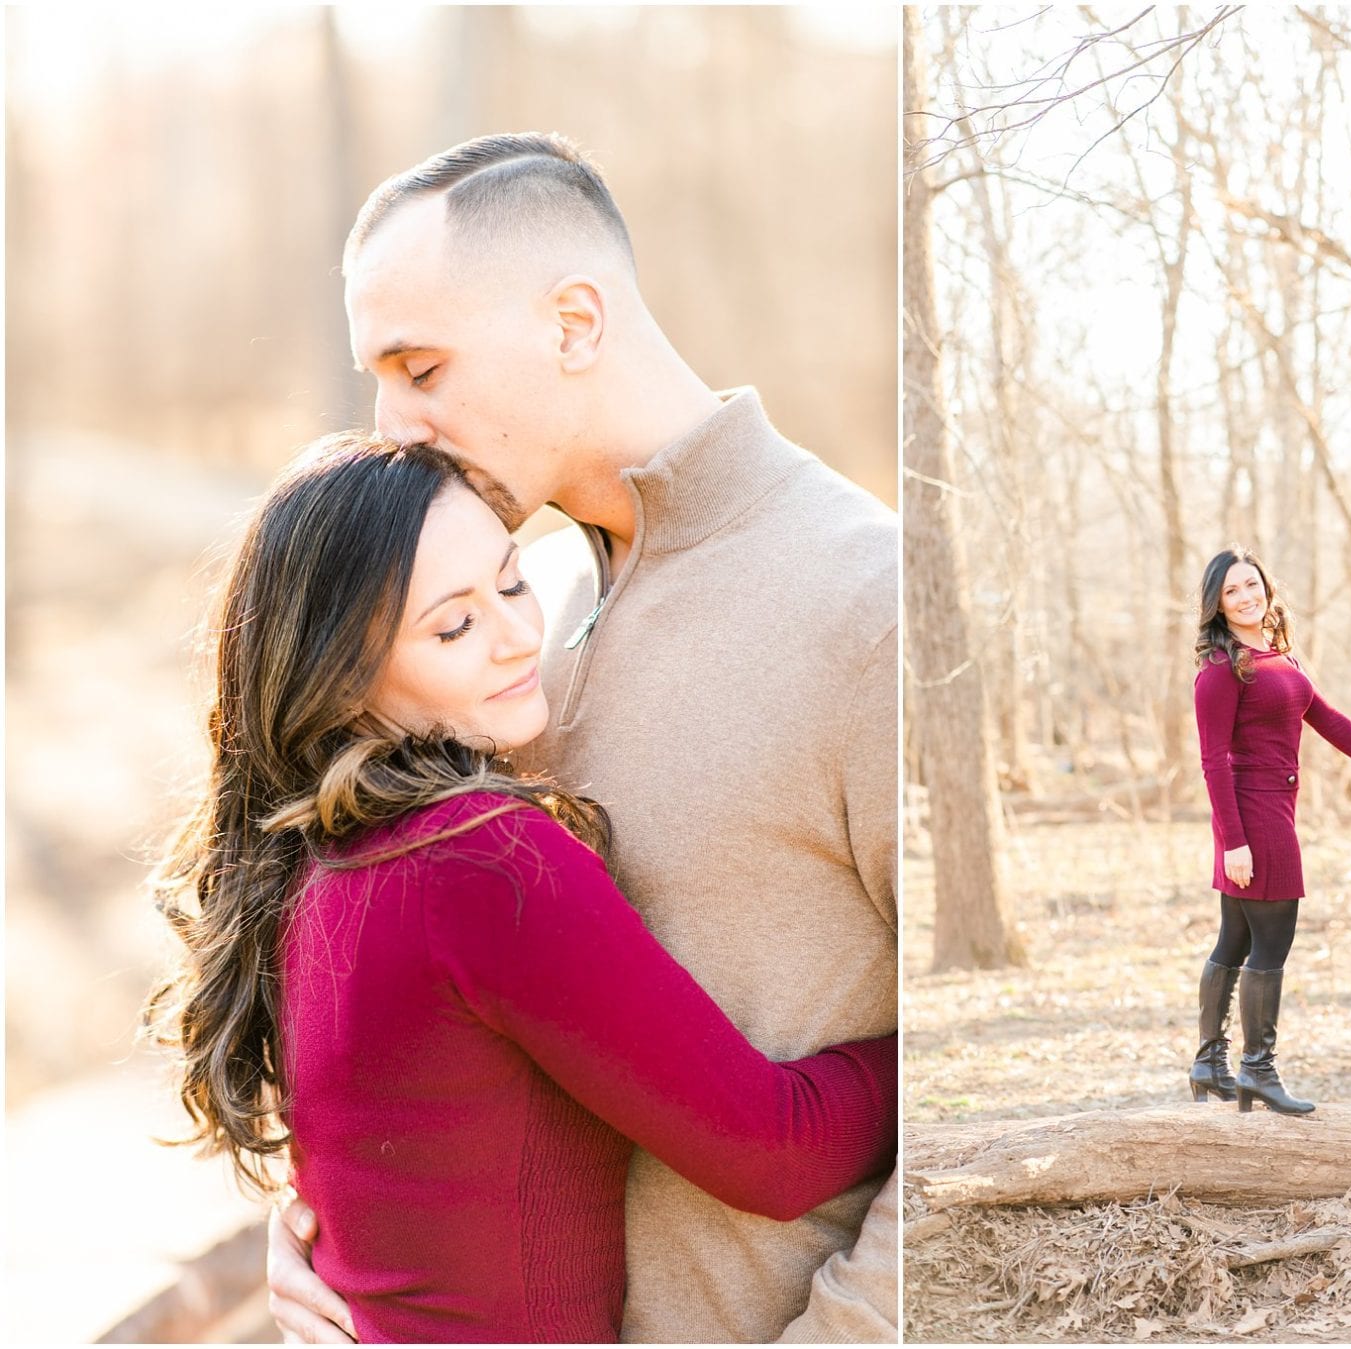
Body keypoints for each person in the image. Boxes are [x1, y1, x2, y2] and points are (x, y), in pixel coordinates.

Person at [264, 134, 899, 1342]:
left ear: (572, 322)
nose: (397, 424)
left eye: (422, 366)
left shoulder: (867, 606)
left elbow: (949, 1089)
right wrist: (321, 1227)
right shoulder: (503, 616)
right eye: (381, 379)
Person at [146, 437, 898, 1343]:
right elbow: (774, 1150)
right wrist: (929, 1054)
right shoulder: (477, 862)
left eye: (511, 581)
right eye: (452, 626)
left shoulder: (315, 861)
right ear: (344, 677)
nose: (518, 637)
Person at [1189, 547, 1351, 1115]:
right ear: (1217, 605)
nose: (1246, 598)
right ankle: (1257, 1071)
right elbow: (1214, 761)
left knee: (1236, 941)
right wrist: (1235, 841)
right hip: (1254, 816)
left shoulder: (1278, 660)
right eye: (1232, 592)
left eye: (1252, 586)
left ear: (1267, 589)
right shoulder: (1224, 669)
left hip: (1269, 811)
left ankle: (1209, 1063)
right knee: (1272, 943)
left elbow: (1332, 722)